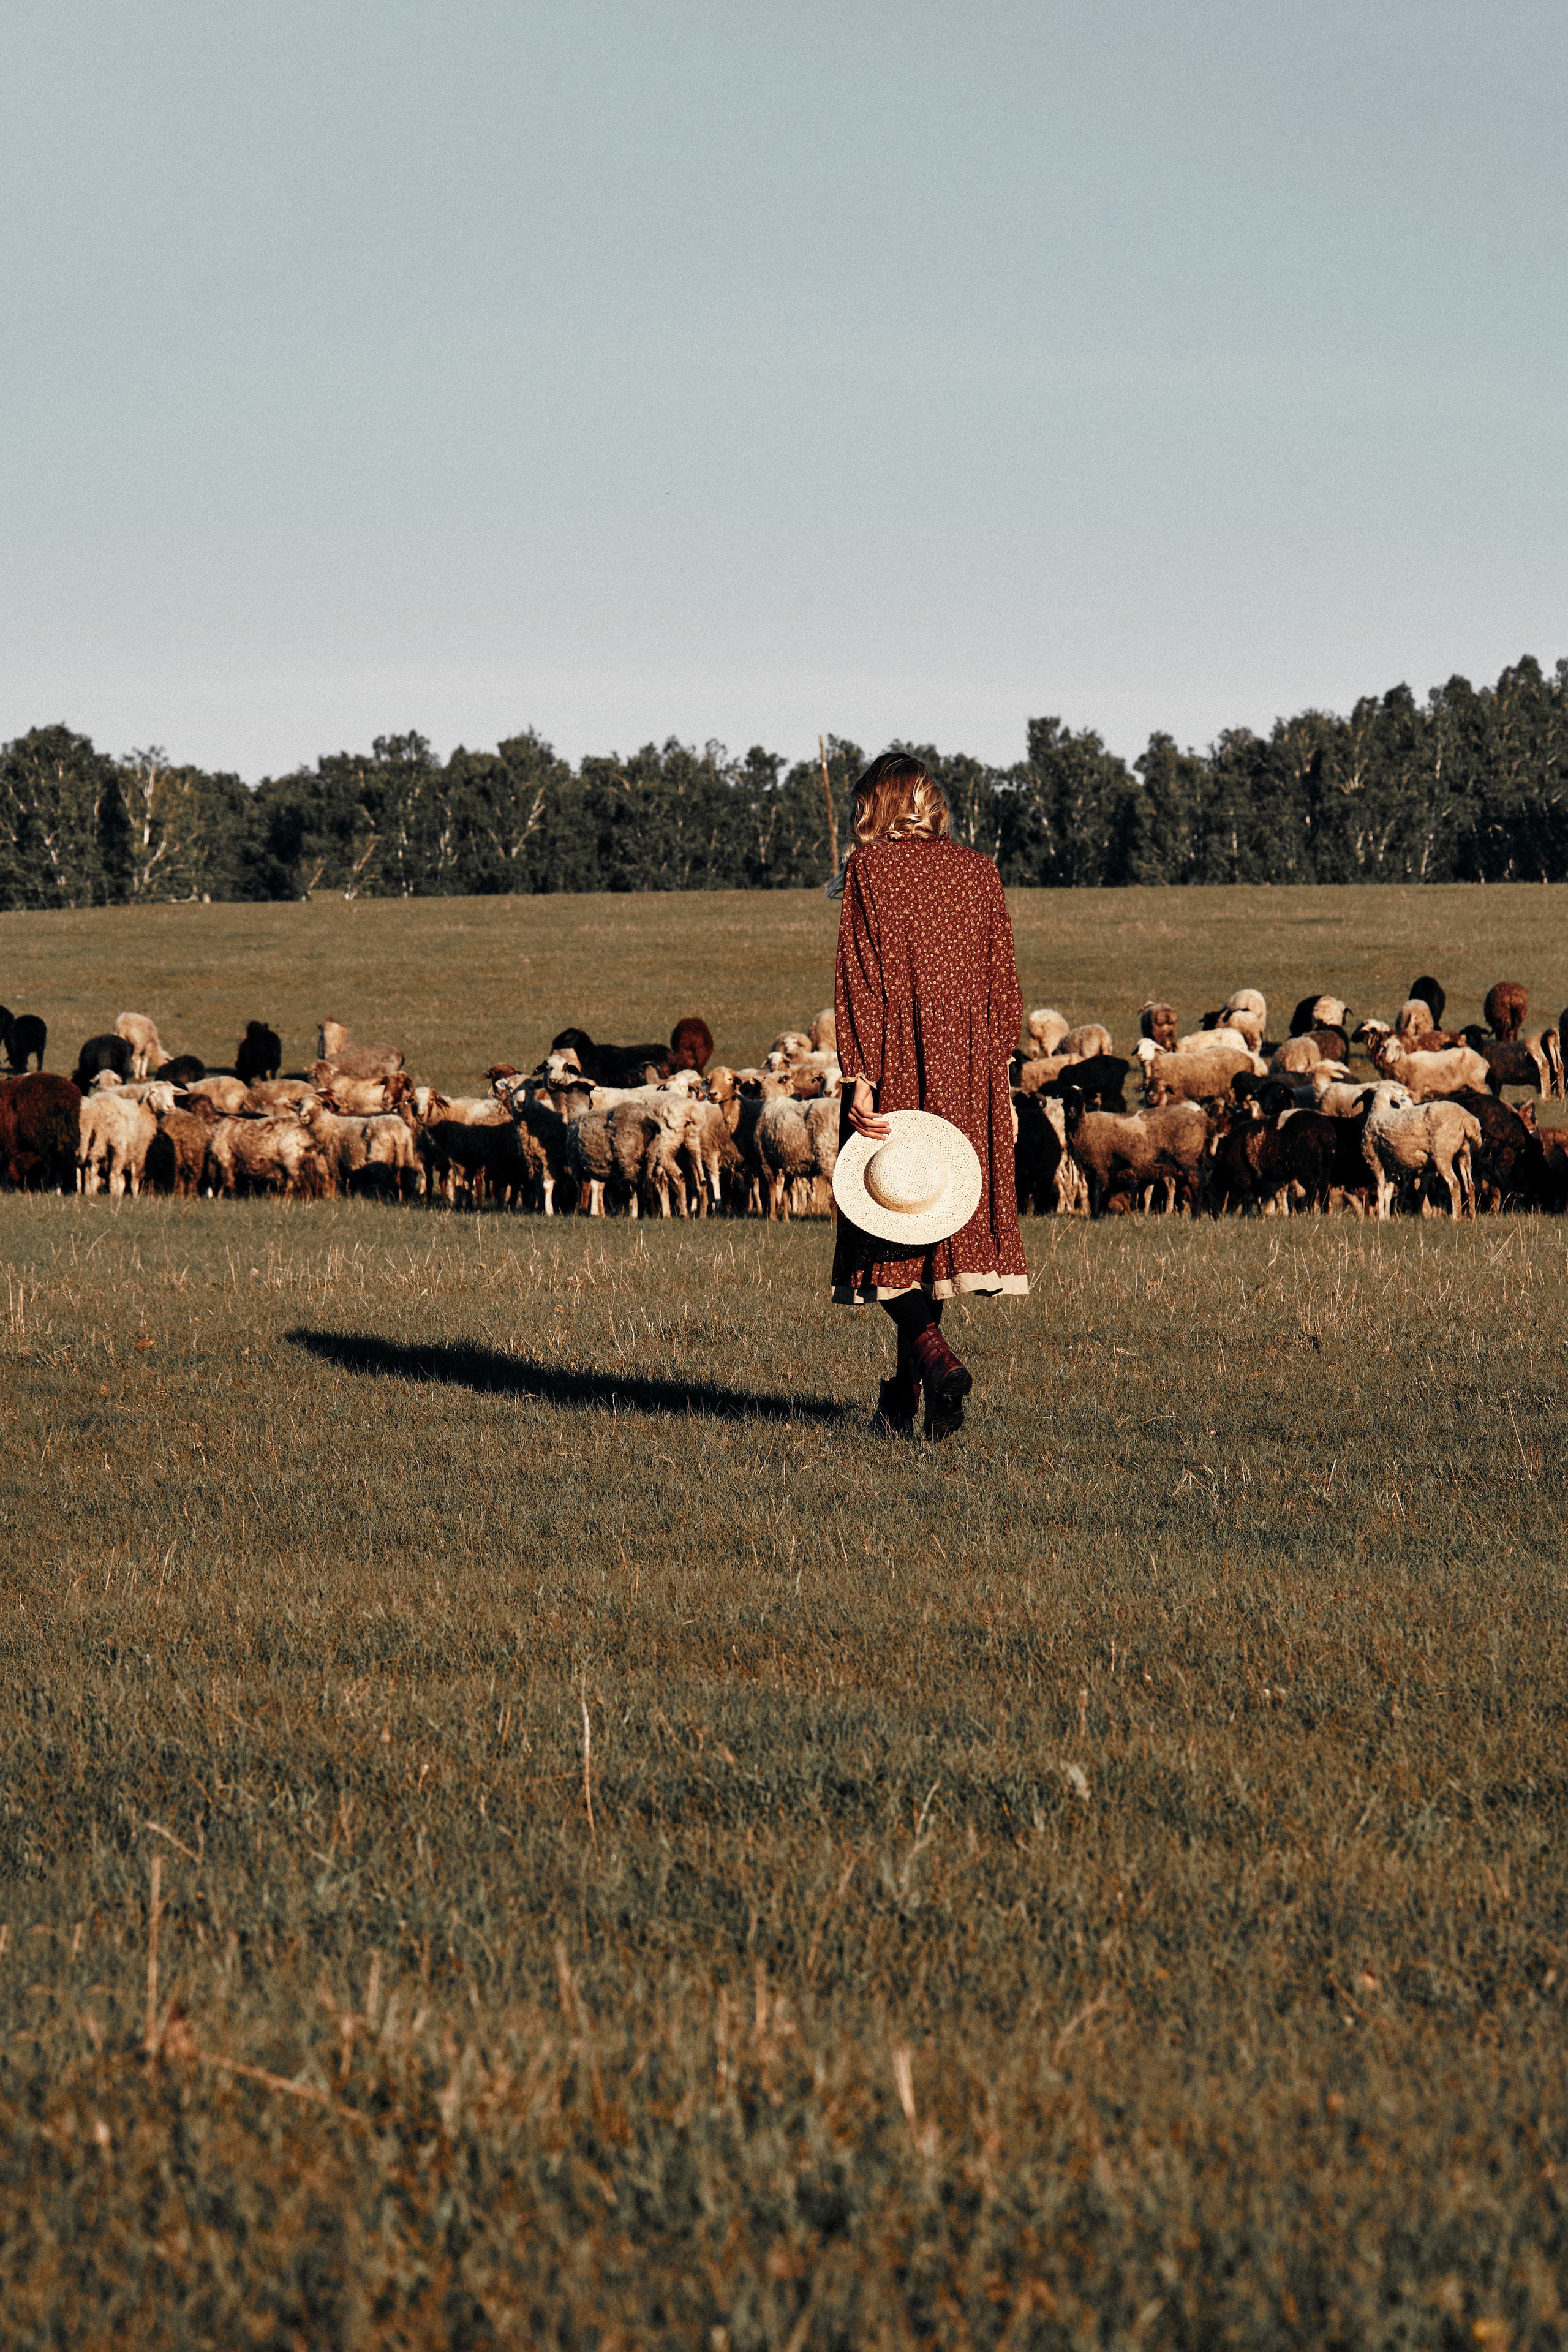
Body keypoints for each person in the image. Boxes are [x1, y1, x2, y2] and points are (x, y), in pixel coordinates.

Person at [829, 751, 1027, 1439]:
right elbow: (1004, 984)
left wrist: (859, 1075)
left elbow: (862, 977)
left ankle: (935, 1359)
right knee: (926, 1226)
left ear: (876, 804)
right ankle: (907, 1399)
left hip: (896, 1062)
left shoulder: (868, 870)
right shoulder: (980, 870)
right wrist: (998, 1083)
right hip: (970, 1068)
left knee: (883, 1232)